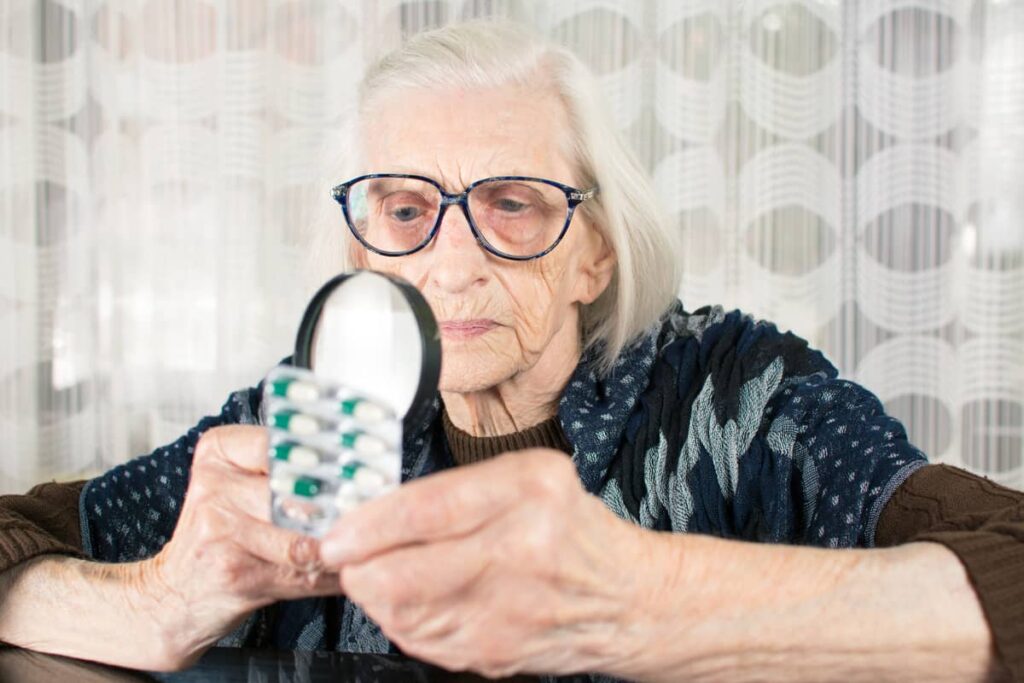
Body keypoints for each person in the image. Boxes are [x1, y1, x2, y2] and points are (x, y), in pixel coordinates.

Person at [0, 20, 1021, 683]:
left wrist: (634, 596)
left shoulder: (743, 397)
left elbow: (1007, 565)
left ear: (594, 253)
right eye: (405, 208)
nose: (451, 263)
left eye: (512, 204)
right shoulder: (307, 415)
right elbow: (18, 535)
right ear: (362, 246)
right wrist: (155, 604)